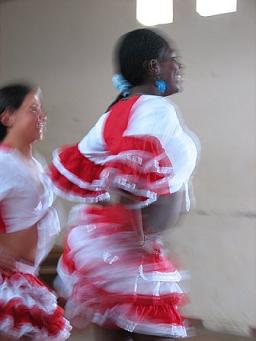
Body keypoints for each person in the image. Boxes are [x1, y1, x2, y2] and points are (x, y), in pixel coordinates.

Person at [49, 28, 199, 340]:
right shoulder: (154, 109)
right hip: (129, 254)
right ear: (153, 67)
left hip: (108, 250)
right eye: (173, 60)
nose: (179, 67)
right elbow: (123, 184)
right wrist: (140, 236)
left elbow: (104, 174)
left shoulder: (119, 111)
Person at [0, 83, 71, 340]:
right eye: (33, 109)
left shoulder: (36, 163)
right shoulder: (2, 162)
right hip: (6, 282)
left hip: (27, 278)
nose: (42, 116)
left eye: (42, 110)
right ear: (7, 117)